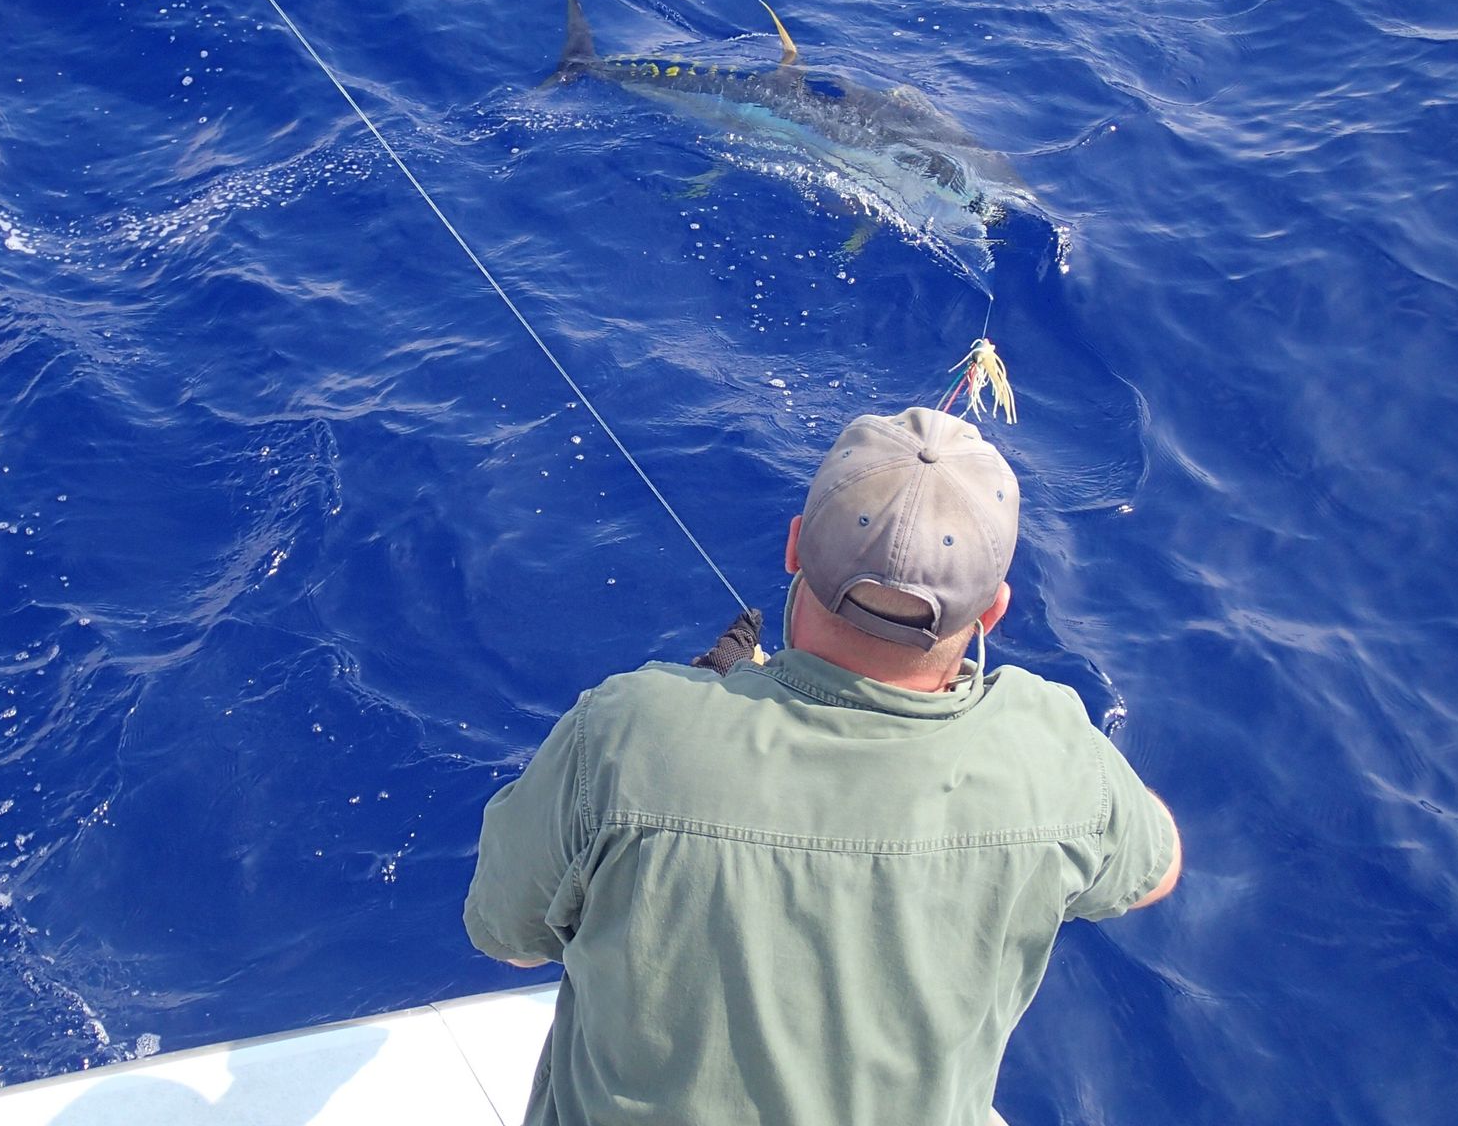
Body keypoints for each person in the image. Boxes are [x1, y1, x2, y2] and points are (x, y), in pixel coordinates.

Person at [464, 406, 1181, 1125]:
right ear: (992, 612)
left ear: (795, 546)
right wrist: (1074, 770)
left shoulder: (627, 730)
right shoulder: (1052, 751)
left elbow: (506, 936)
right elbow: (1159, 868)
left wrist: (707, 710)